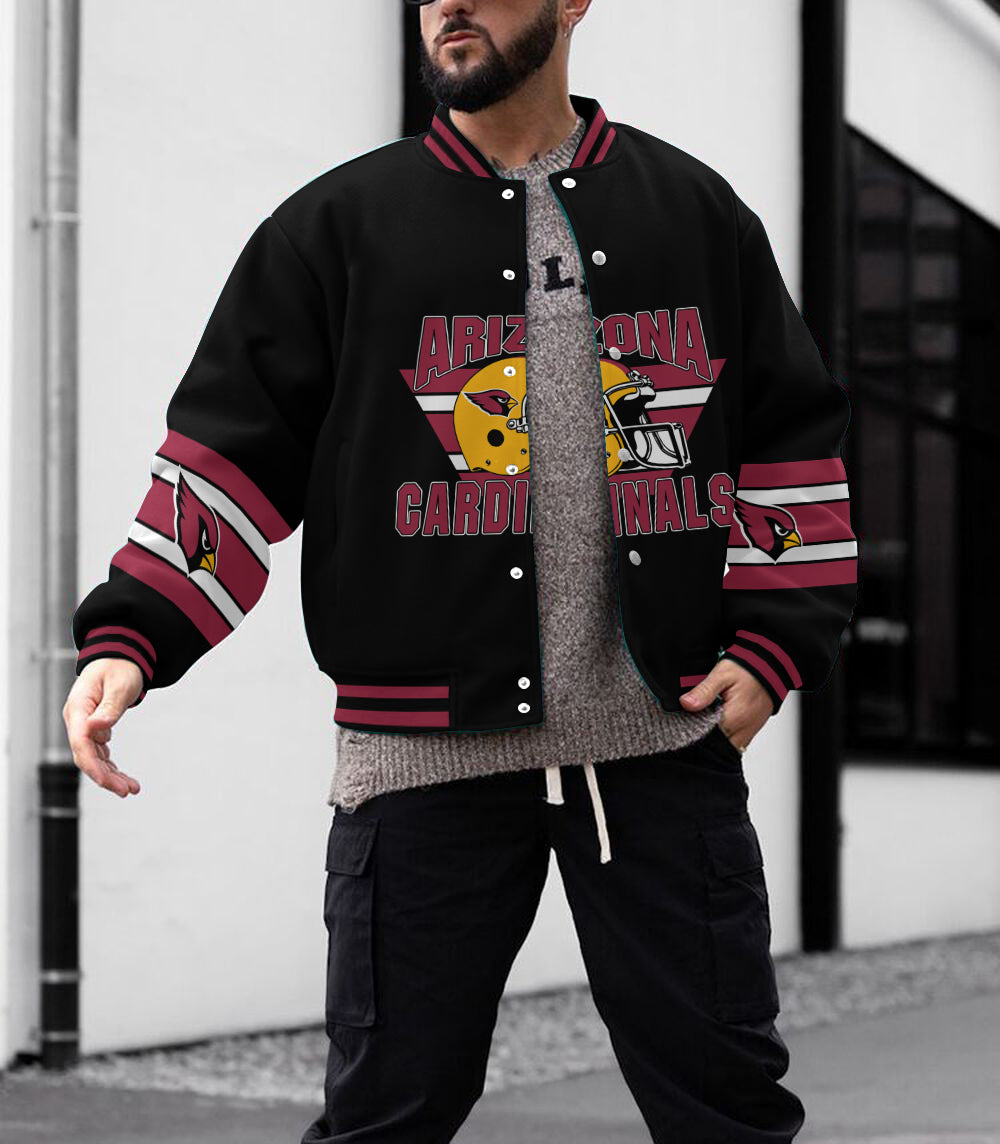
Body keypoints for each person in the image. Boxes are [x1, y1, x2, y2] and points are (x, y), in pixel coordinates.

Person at [64, 1, 858, 1139]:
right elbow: (232, 456)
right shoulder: (336, 227)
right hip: (418, 764)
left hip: (659, 751)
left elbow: (791, 438)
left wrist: (776, 642)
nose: (448, 2)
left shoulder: (693, 213)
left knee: (728, 1115)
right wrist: (135, 635)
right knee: (385, 1119)